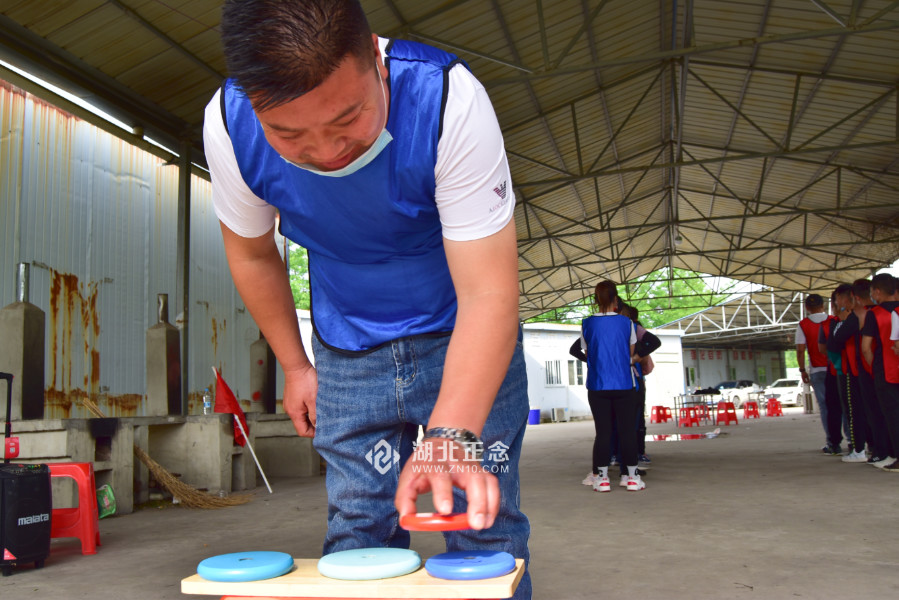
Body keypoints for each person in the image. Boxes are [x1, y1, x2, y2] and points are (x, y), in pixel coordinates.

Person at [204, 2, 530, 596]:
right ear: (253, 106)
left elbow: (488, 293)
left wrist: (452, 433)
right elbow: (253, 254)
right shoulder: (229, 127)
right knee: (358, 531)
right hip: (347, 347)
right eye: (289, 134)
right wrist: (297, 365)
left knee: (484, 523)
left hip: (465, 334)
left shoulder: (447, 101)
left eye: (347, 118)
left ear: (377, 64)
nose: (327, 151)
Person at [573, 280, 644, 492]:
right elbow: (630, 353)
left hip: (597, 385)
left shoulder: (587, 324)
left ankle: (602, 479)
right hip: (623, 384)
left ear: (596, 301)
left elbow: (587, 353)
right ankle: (632, 478)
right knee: (627, 432)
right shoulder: (627, 323)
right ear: (615, 300)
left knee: (603, 433)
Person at [825, 284, 868, 463]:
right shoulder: (872, 313)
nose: (835, 304)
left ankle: (859, 449)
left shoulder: (853, 317)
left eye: (836, 300)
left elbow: (834, 342)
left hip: (853, 369)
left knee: (855, 411)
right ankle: (874, 447)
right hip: (865, 368)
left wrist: (839, 322)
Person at [861, 273, 899, 471]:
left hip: (886, 370)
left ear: (877, 291)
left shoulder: (874, 314)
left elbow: (866, 347)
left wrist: (873, 368)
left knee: (893, 415)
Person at [796, 293, 838, 453]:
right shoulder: (833, 321)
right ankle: (851, 441)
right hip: (836, 367)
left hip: (817, 370)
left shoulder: (803, 324)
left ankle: (832, 442)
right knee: (842, 405)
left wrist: (802, 370)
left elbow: (800, 350)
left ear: (807, 307)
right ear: (824, 305)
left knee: (825, 406)